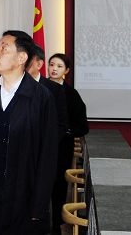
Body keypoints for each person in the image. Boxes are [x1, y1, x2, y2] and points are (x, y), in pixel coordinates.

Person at [0, 30, 58, 235]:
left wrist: (40, 205)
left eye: (4, 48)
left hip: (23, 195)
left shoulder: (41, 97)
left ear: (22, 58)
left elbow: (48, 155)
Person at [48, 53, 89, 235]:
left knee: (58, 188)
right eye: (52, 64)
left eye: (59, 66)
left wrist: (63, 130)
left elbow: (82, 126)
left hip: (61, 150)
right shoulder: (39, 88)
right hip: (39, 149)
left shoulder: (71, 95)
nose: (54, 69)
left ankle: (56, 225)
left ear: (66, 70)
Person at [26, 43, 69, 142]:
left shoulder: (55, 89)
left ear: (39, 64)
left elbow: (61, 125)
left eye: (28, 60)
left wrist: (46, 144)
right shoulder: (12, 86)